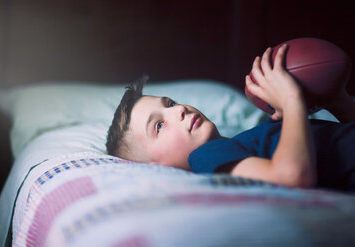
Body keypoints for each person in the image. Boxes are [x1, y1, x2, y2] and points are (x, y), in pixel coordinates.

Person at [106, 44, 355, 192]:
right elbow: (290, 177)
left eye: (170, 103)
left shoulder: (245, 143)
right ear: (155, 167)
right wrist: (292, 102)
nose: (178, 110)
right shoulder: (206, 156)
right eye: (159, 125)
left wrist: (336, 101)